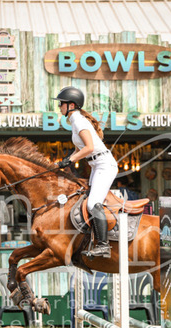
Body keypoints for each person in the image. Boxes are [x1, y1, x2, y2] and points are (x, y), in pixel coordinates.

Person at [53, 86, 118, 258]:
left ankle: (104, 246)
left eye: (61, 104)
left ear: (71, 105)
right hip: (97, 165)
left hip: (104, 165)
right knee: (84, 199)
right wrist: (64, 161)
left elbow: (89, 148)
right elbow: (79, 149)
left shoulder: (79, 121)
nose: (59, 107)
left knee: (92, 204)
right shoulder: (75, 121)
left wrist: (70, 160)